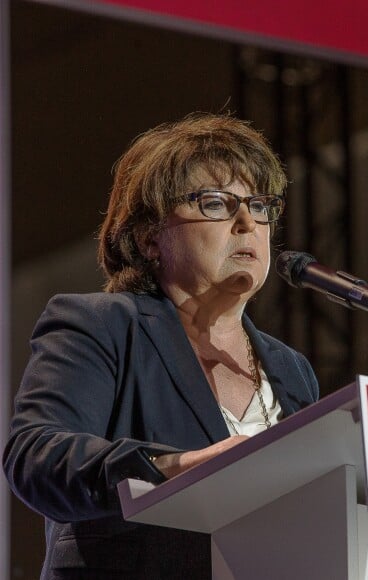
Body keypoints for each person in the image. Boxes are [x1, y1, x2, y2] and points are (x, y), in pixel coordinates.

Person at [3, 113, 319, 579]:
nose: (247, 222)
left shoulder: (291, 369)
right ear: (151, 237)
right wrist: (174, 467)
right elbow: (37, 455)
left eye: (260, 204)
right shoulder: (102, 325)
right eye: (216, 204)